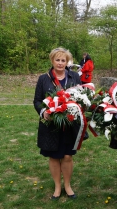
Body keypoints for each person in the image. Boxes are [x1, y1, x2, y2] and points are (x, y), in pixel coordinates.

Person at [33, 48, 81, 200]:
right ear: (52, 60)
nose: (60, 63)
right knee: (54, 156)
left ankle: (67, 185)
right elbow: (37, 100)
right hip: (50, 125)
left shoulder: (74, 77)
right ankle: (57, 187)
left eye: (63, 60)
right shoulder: (43, 78)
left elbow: (81, 97)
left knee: (67, 156)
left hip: (69, 125)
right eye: (57, 60)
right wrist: (44, 113)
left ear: (67, 62)